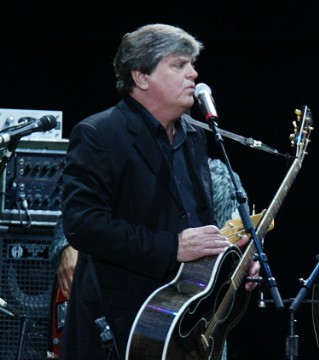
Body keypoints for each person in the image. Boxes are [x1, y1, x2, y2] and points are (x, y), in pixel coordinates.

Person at [59, 24, 259, 359]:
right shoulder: (99, 134)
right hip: (118, 325)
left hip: (181, 322)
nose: (193, 74)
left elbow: (197, 227)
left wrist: (230, 263)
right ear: (141, 76)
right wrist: (173, 246)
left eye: (193, 65)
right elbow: (84, 225)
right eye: (179, 65)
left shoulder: (194, 137)